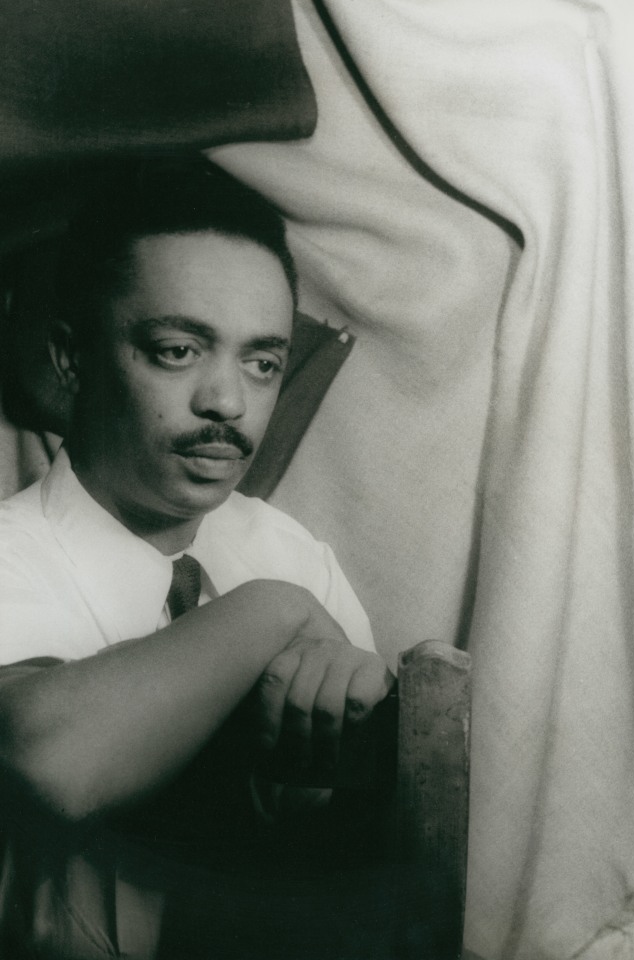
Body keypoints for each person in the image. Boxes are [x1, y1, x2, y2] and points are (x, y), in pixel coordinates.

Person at [0, 157, 393, 959]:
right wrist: (270, 612)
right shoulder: (10, 557)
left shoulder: (292, 551)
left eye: (262, 362)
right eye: (178, 350)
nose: (227, 402)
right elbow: (46, 762)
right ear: (72, 358)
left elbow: (363, 839)